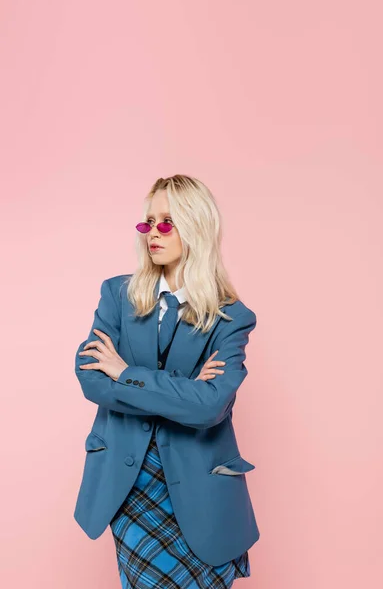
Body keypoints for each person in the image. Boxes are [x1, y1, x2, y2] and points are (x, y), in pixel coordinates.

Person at [74, 174, 260, 588]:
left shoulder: (231, 317)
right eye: (148, 222)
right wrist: (185, 389)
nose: (152, 234)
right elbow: (91, 380)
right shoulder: (117, 296)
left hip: (201, 489)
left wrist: (124, 373)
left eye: (166, 223)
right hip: (130, 485)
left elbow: (211, 407)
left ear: (195, 228)